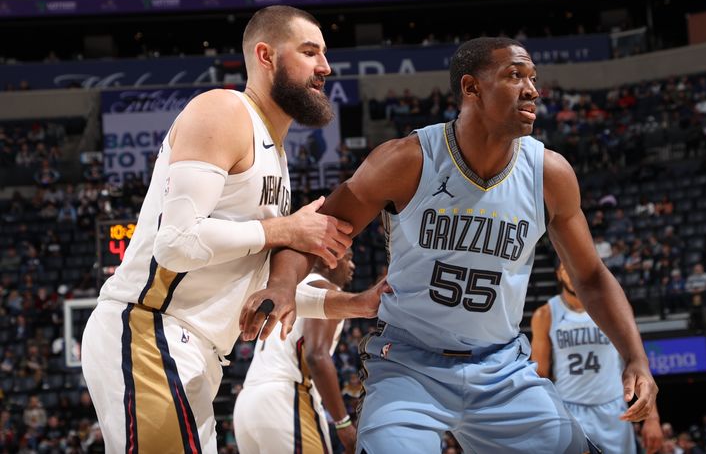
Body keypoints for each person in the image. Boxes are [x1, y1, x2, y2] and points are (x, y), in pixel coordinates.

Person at [241, 37, 658, 453]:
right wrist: (281, 285)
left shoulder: (550, 173)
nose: (532, 89)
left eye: (533, 77)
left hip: (501, 369)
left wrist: (635, 357)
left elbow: (591, 276)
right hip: (409, 366)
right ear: (471, 88)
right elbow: (312, 235)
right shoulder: (408, 160)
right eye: (515, 76)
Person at [81, 5, 385, 453]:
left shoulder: (275, 157)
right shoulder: (223, 109)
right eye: (309, 52)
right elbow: (175, 244)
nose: (326, 67)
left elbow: (256, 287)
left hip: (196, 349)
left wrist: (354, 304)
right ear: (265, 56)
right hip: (150, 329)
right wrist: (284, 230)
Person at [531, 263, 664, 453]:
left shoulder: (613, 308)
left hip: (614, 408)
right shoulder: (545, 314)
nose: (571, 272)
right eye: (565, 269)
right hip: (568, 409)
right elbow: (540, 374)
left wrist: (652, 419)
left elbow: (637, 363)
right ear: (559, 275)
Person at [233, 249, 357, 454]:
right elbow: (316, 355)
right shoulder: (325, 289)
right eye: (348, 258)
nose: (352, 266)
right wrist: (343, 424)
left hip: (248, 404)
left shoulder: (287, 290)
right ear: (329, 259)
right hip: (286, 400)